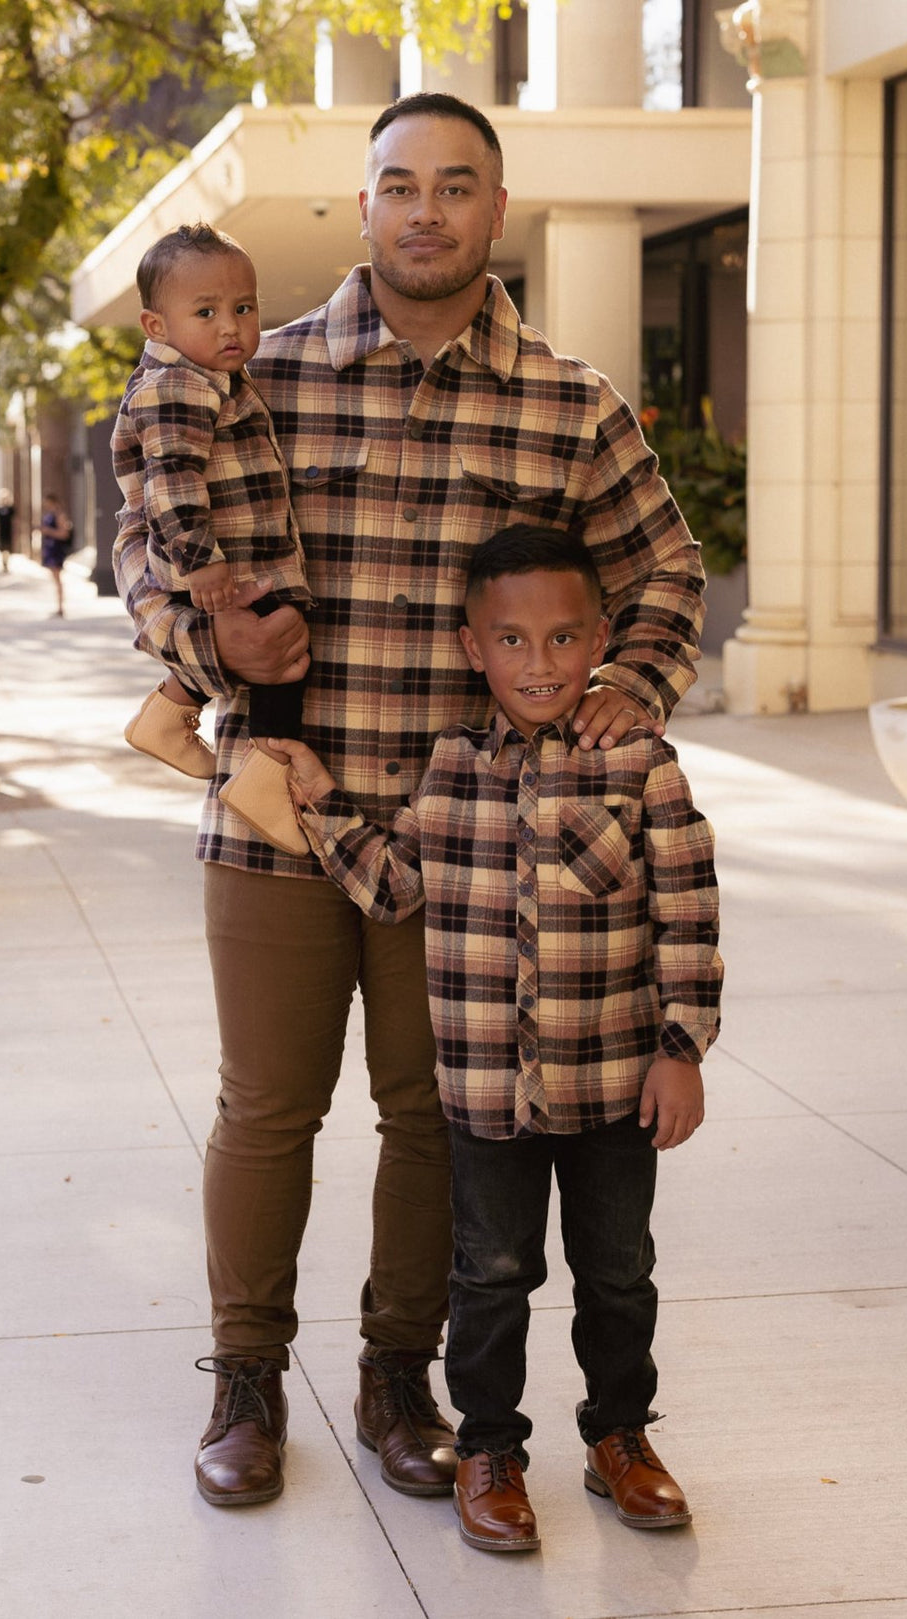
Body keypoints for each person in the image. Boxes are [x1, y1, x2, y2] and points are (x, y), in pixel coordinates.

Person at [112, 92, 707, 1512]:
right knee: (266, 1104)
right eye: (398, 184)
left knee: (433, 1116)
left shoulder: (571, 400)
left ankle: (398, 1373)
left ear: (497, 211)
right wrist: (211, 646)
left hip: (468, 851)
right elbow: (144, 538)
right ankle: (245, 1377)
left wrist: (625, 687)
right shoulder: (264, 372)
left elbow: (665, 573)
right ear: (365, 203)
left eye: (456, 185)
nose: (425, 209)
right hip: (280, 811)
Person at [274, 525, 722, 1552]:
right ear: (473, 645)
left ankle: (621, 1435)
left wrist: (683, 1047)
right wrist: (316, 803)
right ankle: (489, 1447)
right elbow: (397, 883)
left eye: (565, 639)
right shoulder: (453, 768)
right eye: (512, 640)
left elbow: (689, 912)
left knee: (618, 1272)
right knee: (491, 1275)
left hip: (615, 1085)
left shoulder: (641, 763)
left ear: (601, 637)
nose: (541, 663)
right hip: (486, 1094)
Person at [114, 224, 314, 853]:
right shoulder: (178, 387)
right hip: (214, 560)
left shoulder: (214, 379)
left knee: (278, 641)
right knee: (287, 647)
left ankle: (171, 712)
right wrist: (201, 564)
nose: (231, 326)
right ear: (157, 326)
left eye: (244, 308)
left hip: (235, 557)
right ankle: (267, 774)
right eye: (206, 312)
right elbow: (171, 480)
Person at [39, 492, 73, 616]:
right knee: (54, 579)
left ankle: (60, 607)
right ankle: (58, 605)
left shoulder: (59, 515)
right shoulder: (49, 514)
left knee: (58, 580)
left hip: (56, 550)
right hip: (49, 549)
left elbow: (64, 534)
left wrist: (48, 531)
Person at [0, 489, 15, 572]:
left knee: (8, 548)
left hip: (8, 531)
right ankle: (3, 563)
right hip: (1, 531)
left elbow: (15, 521)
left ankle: (6, 563)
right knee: (2, 548)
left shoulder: (11, 509)